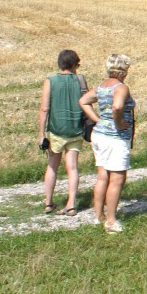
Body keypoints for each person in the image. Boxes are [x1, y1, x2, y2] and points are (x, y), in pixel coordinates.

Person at [79, 54, 135, 234]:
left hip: (100, 135)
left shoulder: (102, 86)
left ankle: (98, 215)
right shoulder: (121, 87)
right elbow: (117, 107)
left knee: (102, 176)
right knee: (117, 178)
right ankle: (111, 220)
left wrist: (98, 120)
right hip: (115, 138)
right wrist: (118, 123)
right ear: (124, 70)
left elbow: (83, 101)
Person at [38, 49, 88, 216]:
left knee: (52, 166)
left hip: (56, 131)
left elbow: (44, 109)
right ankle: (72, 204)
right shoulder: (81, 80)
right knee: (72, 168)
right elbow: (87, 104)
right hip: (75, 130)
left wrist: (41, 134)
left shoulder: (50, 81)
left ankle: (48, 202)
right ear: (73, 64)